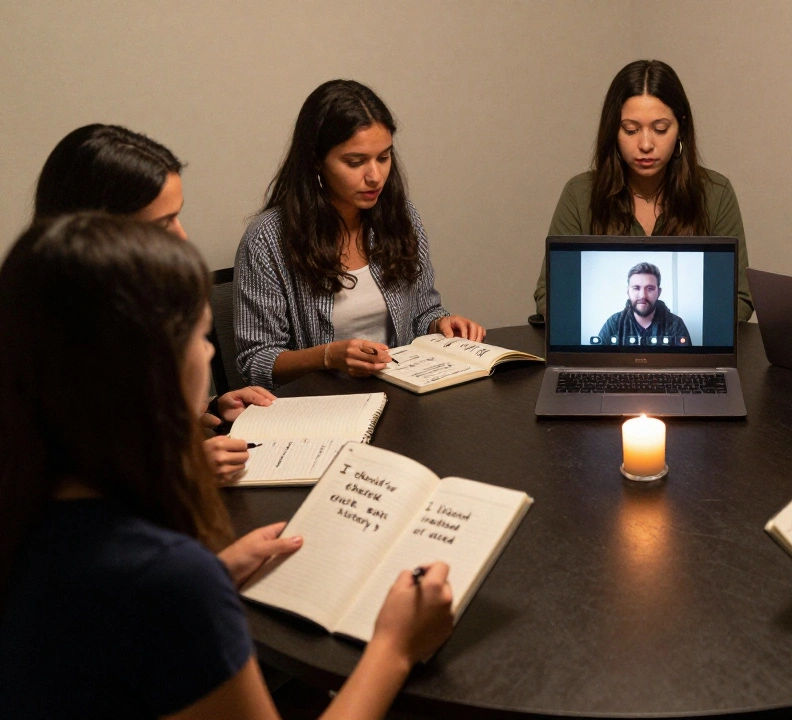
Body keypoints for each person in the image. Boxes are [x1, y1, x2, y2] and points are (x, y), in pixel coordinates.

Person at [0, 214, 455, 719]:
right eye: (200, 337)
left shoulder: (31, 513)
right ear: (150, 371)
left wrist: (217, 572)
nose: (211, 352)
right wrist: (394, 648)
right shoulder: (167, 579)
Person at [33, 123, 275, 483]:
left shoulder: (138, 300)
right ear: (101, 229)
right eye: (164, 223)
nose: (181, 235)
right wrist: (183, 471)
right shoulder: (48, 335)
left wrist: (206, 411)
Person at [235, 79, 484, 390]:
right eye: (355, 162)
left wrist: (440, 323)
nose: (375, 176)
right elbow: (256, 362)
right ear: (316, 161)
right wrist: (327, 357)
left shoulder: (400, 216)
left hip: (402, 396)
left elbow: (423, 313)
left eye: (383, 157)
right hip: (319, 410)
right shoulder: (268, 239)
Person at [532, 59, 754, 323]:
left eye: (660, 129)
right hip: (605, 359)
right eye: (631, 130)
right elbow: (549, 296)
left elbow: (739, 298)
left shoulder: (715, 193)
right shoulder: (580, 194)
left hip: (686, 358)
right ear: (613, 131)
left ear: (680, 129)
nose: (646, 144)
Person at [598, 261, 690, 345]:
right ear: (628, 292)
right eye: (636, 288)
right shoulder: (614, 323)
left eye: (650, 289)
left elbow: (684, 362)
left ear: (659, 292)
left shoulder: (675, 324)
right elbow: (598, 360)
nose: (642, 295)